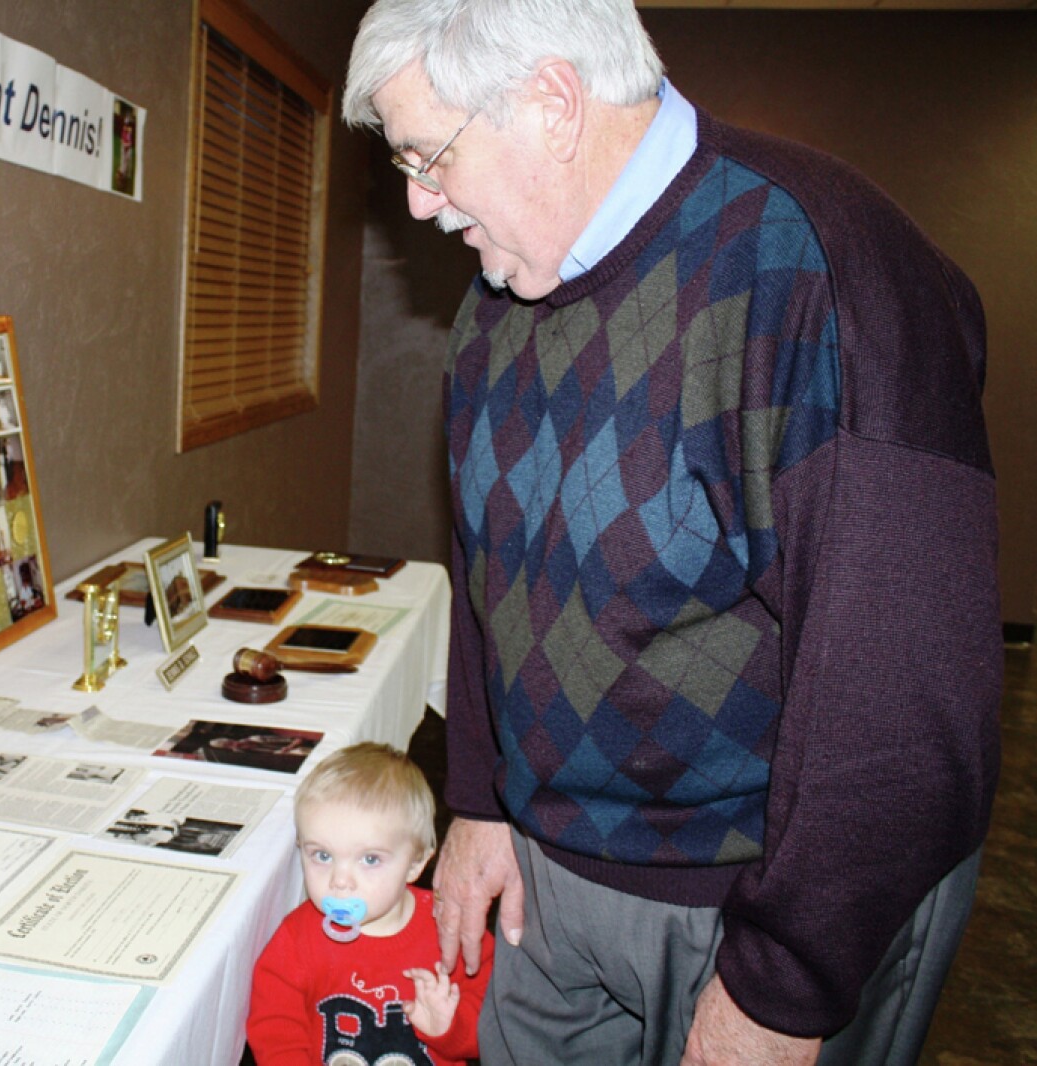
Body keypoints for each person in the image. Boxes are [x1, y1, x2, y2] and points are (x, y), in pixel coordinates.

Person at [342, 3, 1002, 1064]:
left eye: (427, 154)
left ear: (551, 104)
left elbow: (902, 714)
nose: (417, 201)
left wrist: (781, 988)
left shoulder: (819, 267)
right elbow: (487, 573)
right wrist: (477, 801)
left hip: (762, 899)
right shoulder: (496, 299)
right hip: (553, 872)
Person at [248, 742, 493, 1066]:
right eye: (322, 855)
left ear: (416, 864)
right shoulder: (296, 939)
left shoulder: (451, 932)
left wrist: (450, 1027)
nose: (340, 880)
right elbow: (274, 1028)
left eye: (369, 859)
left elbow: (496, 1024)